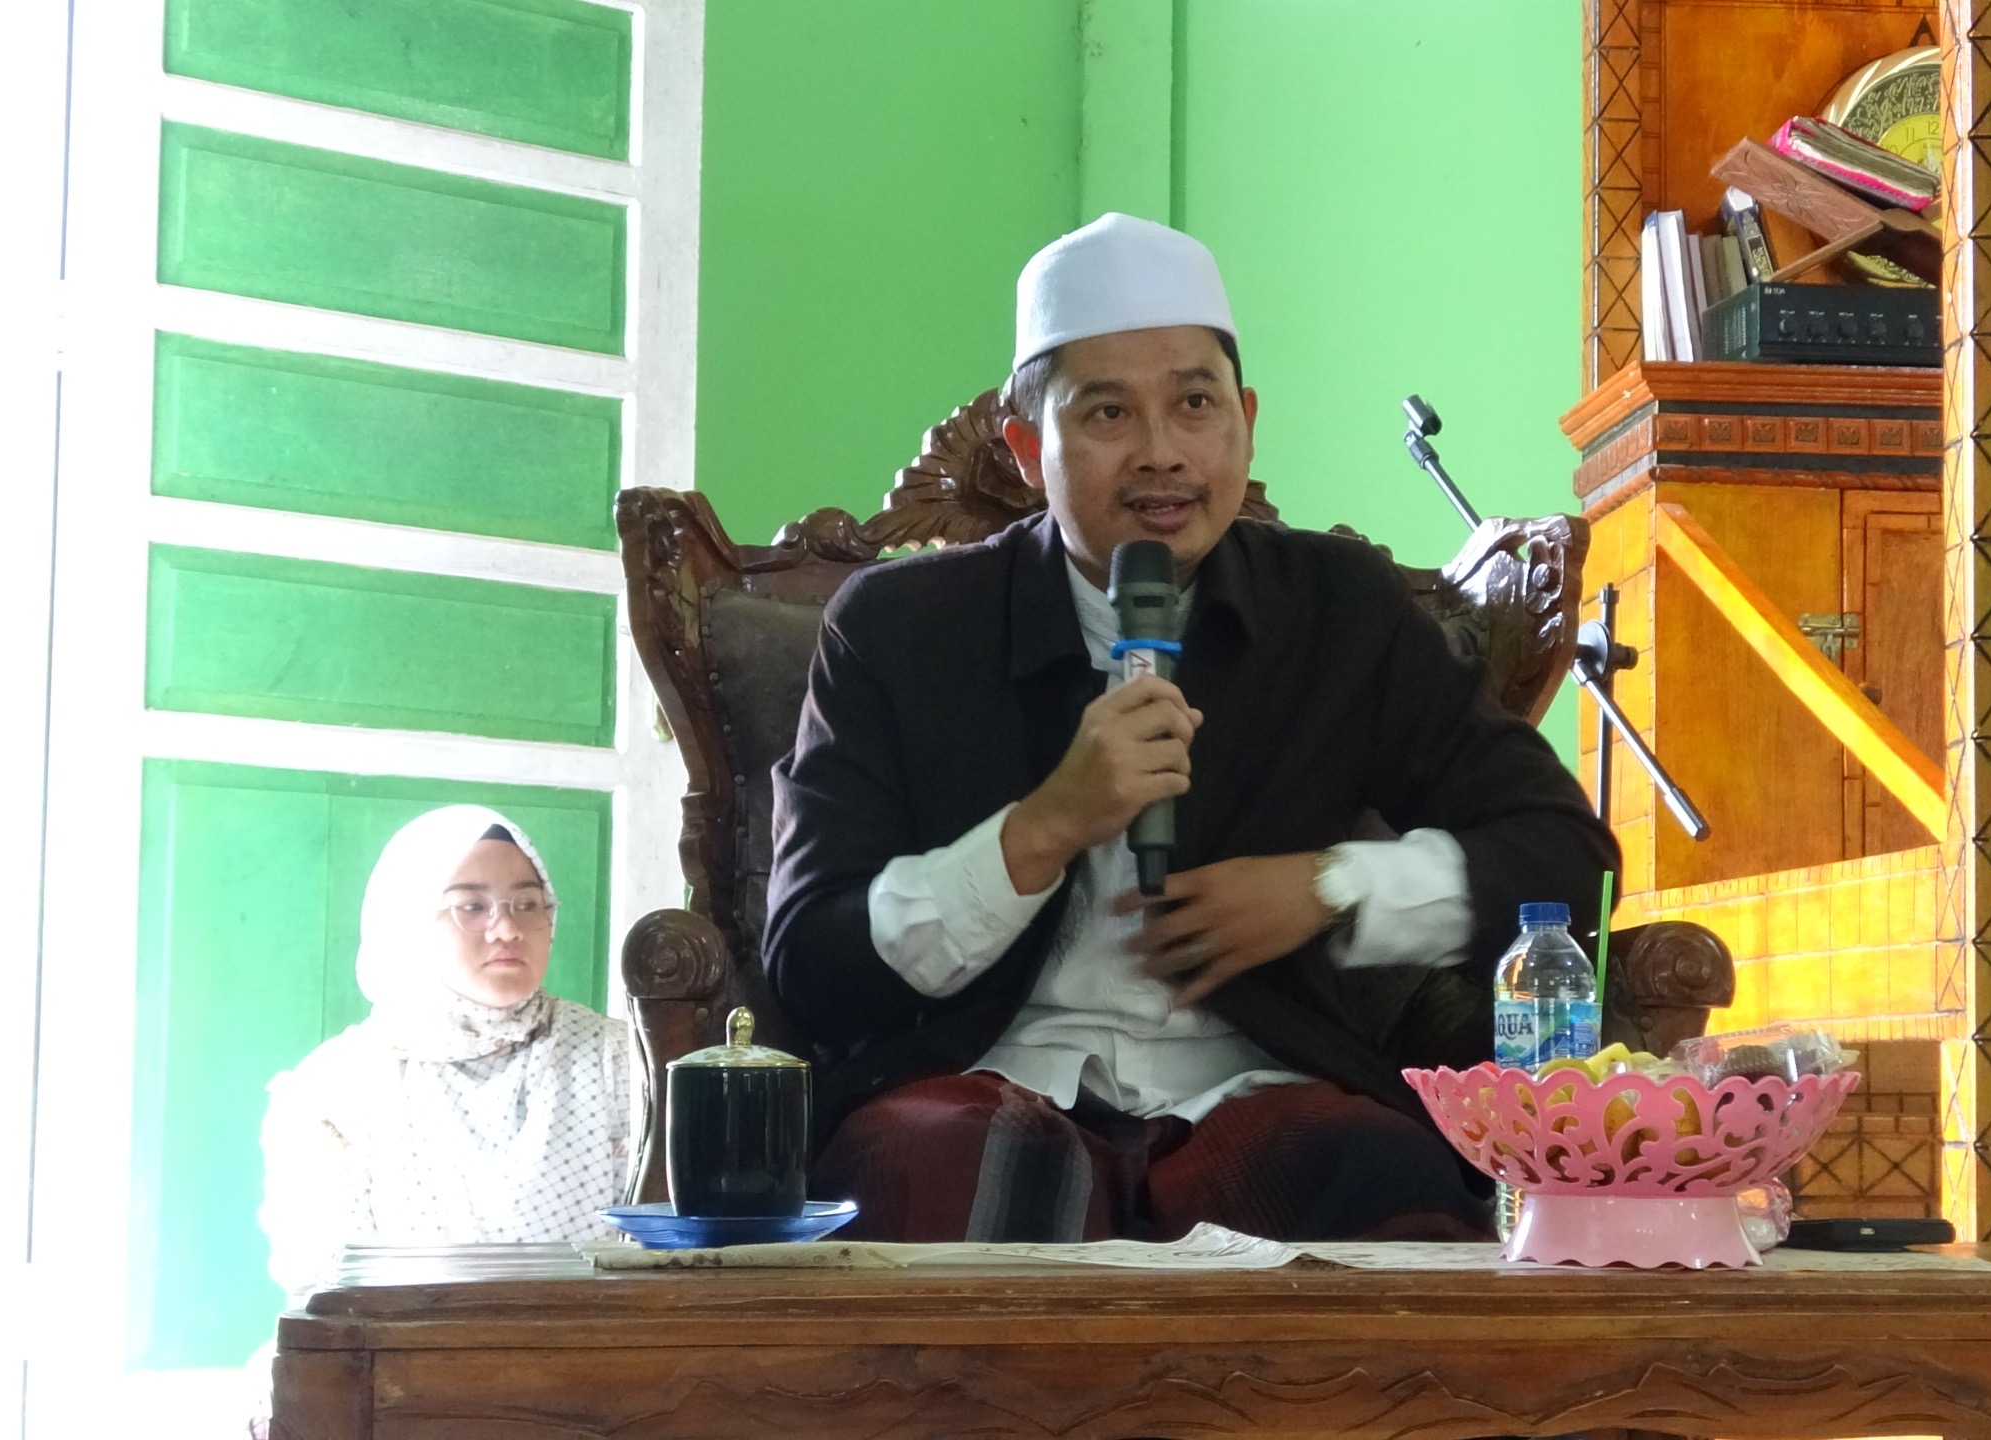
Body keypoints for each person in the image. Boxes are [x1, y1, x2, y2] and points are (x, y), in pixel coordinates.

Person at [763, 212, 1615, 1245]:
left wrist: (1325, 889)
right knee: (928, 1171)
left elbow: (1560, 858)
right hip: (982, 1078)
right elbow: (810, 960)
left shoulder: (1336, 609)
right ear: (1028, 449)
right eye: (1107, 413)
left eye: (1195, 404)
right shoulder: (900, 628)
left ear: (1244, 423)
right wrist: (1040, 830)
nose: (1161, 455)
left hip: (1252, 1082)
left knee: (1378, 1186)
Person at [258, 805, 638, 1304]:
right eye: (472, 906)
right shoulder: (337, 1089)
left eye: (528, 903)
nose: (507, 928)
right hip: (398, 1347)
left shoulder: (616, 1059)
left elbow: (657, 1258)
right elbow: (324, 1291)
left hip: (597, 1342)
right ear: (408, 920)